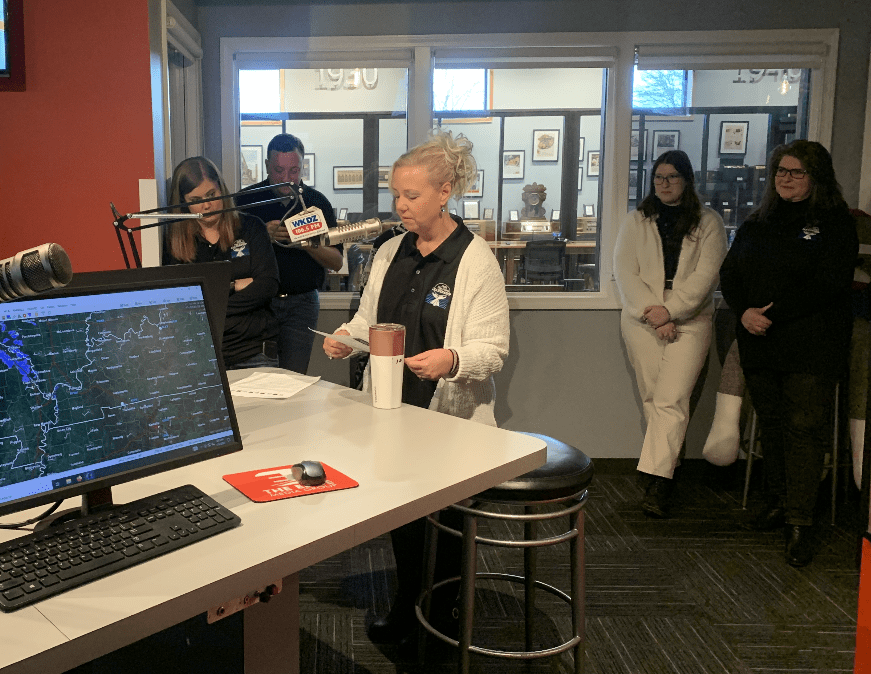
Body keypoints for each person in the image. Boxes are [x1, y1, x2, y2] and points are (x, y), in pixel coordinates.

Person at [322, 131, 509, 644]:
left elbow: (493, 349)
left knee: (445, 522)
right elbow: (368, 322)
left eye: (411, 195)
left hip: (449, 419)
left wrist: (452, 360)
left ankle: (445, 612)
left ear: (445, 192)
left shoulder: (475, 260)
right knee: (404, 516)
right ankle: (409, 604)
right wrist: (346, 339)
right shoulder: (388, 252)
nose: (400, 206)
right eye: (396, 195)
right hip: (392, 411)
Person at [720, 140, 857, 566]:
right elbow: (730, 272)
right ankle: (779, 502)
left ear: (816, 177)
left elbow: (828, 283)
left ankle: (801, 521)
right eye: (781, 171)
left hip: (811, 345)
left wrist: (771, 315)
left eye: (796, 172)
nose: (786, 178)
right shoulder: (758, 221)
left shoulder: (835, 223)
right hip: (760, 343)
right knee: (774, 426)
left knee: (803, 430)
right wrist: (744, 312)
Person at [614, 150, 727, 518]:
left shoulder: (709, 222)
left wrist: (672, 311)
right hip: (643, 317)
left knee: (671, 399)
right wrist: (655, 313)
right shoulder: (636, 220)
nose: (664, 184)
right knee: (652, 397)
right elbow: (625, 272)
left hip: (691, 319)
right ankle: (667, 468)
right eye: (659, 177)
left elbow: (706, 275)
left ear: (686, 180)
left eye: (672, 177)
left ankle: (659, 482)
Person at [234, 134, 343, 374]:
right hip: (257, 303)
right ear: (266, 166)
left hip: (302, 304)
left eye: (294, 171)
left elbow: (336, 262)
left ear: (302, 166)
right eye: (279, 170)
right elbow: (229, 257)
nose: (286, 178)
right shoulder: (245, 201)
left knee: (295, 377)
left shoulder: (316, 202)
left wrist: (307, 243)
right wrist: (261, 235)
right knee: (258, 378)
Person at [164, 156, 279, 369]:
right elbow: (181, 304)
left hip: (253, 353)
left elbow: (268, 285)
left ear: (221, 189)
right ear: (183, 203)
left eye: (211, 195)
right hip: (201, 357)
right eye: (196, 199)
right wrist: (235, 285)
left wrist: (211, 303)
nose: (207, 205)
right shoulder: (175, 242)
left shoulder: (251, 227)